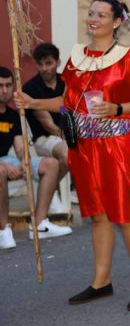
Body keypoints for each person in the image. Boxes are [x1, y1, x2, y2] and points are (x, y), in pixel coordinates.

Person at [15, 0, 130, 310]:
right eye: (91, 13)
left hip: (120, 146)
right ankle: (101, 281)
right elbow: (68, 102)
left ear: (117, 22)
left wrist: (118, 107)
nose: (93, 19)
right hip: (85, 146)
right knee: (98, 215)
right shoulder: (77, 57)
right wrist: (33, 102)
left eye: (101, 15)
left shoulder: (127, 57)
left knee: (127, 216)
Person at [0, 67, 72, 250]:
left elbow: (19, 148)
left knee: (51, 164)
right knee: (1, 170)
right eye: (0, 86)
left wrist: (24, 162)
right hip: (1, 164)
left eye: (8, 85)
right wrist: (5, 166)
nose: (5, 90)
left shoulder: (13, 116)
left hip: (7, 161)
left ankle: (40, 224)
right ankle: (4, 230)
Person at [22, 43, 69, 177]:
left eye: (48, 63)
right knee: (68, 152)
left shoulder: (66, 82)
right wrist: (71, 139)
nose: (44, 68)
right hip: (44, 139)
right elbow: (48, 125)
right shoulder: (30, 88)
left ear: (58, 62)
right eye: (40, 64)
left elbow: (68, 109)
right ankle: (51, 187)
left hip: (67, 135)